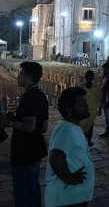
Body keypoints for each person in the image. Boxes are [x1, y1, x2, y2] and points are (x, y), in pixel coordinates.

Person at [6, 61, 49, 207]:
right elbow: (44, 127)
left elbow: (29, 127)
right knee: (32, 189)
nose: (18, 76)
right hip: (35, 149)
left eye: (20, 73)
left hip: (25, 151)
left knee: (23, 192)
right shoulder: (41, 95)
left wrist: (10, 122)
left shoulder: (30, 96)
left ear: (29, 76)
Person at [45, 87, 95, 207]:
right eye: (81, 104)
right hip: (67, 198)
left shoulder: (72, 126)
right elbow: (55, 157)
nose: (86, 106)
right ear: (69, 109)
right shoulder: (66, 130)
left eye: (85, 102)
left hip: (73, 196)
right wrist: (69, 178)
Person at [80, 70, 102, 146]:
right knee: (84, 126)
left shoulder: (96, 87)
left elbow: (99, 99)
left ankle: (88, 141)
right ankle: (85, 140)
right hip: (84, 110)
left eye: (90, 77)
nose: (89, 78)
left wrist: (99, 109)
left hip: (92, 111)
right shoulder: (81, 87)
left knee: (89, 126)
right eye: (88, 77)